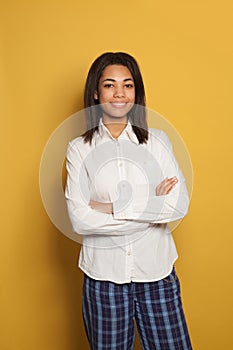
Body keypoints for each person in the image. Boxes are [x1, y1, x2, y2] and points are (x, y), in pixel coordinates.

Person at [65, 52, 192, 350]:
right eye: (109, 85)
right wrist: (151, 206)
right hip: (103, 278)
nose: (119, 93)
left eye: (128, 84)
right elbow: (80, 219)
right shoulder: (79, 149)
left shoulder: (158, 141)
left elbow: (177, 206)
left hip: (157, 273)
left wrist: (112, 208)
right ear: (96, 93)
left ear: (137, 91)